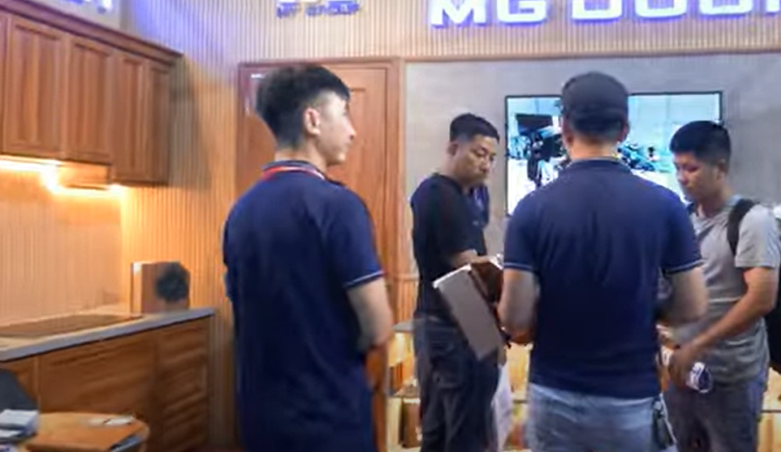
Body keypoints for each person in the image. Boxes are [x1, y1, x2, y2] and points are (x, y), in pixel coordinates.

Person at [498, 71, 709, 452]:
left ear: (564, 128)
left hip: (554, 394)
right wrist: (647, 310)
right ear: (624, 130)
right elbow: (693, 306)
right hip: (632, 396)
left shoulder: (530, 209)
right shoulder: (666, 206)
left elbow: (514, 319)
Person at [222, 65, 394, 452]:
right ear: (313, 120)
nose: (352, 130)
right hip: (328, 417)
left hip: (260, 420)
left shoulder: (241, 211)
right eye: (344, 113)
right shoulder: (339, 206)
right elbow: (379, 327)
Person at [664, 121, 781, 452]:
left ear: (720, 168)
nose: (682, 177)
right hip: (680, 370)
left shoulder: (752, 220)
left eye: (691, 168)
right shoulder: (683, 219)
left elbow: (761, 299)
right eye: (677, 168)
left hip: (731, 376)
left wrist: (698, 345)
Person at [410, 113, 501, 452]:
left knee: (449, 426)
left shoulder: (472, 194)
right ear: (453, 148)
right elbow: (467, 267)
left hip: (464, 320)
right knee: (464, 433)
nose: (486, 164)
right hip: (453, 323)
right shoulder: (438, 195)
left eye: (491, 157)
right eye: (479, 153)